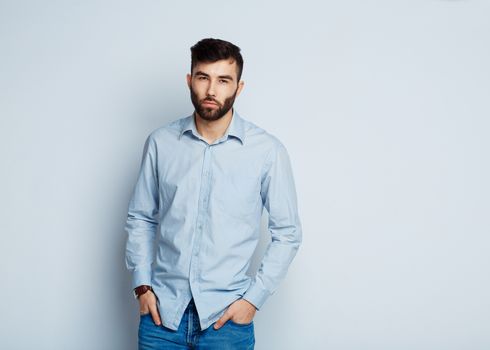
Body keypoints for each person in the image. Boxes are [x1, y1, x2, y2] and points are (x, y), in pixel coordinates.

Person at [124, 37, 303, 349]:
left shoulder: (266, 152)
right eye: (203, 77)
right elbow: (141, 217)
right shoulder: (160, 143)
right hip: (162, 319)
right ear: (189, 80)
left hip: (227, 322)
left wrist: (253, 299)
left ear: (239, 87)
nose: (211, 90)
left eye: (223, 80)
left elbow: (287, 233)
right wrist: (142, 285)